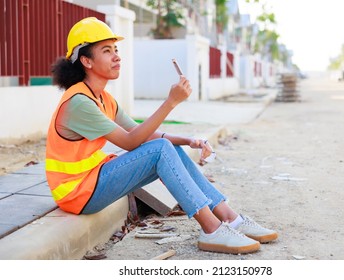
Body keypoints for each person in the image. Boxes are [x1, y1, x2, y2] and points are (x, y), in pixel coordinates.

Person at [46, 17, 278, 255]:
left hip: (91, 182)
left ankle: (232, 218)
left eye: (116, 49)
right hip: (77, 193)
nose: (117, 56)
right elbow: (130, 141)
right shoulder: (79, 102)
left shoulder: (102, 98)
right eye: (107, 51)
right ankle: (211, 229)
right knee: (160, 149)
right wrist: (171, 103)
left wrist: (187, 140)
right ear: (86, 60)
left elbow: (139, 132)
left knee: (167, 147)